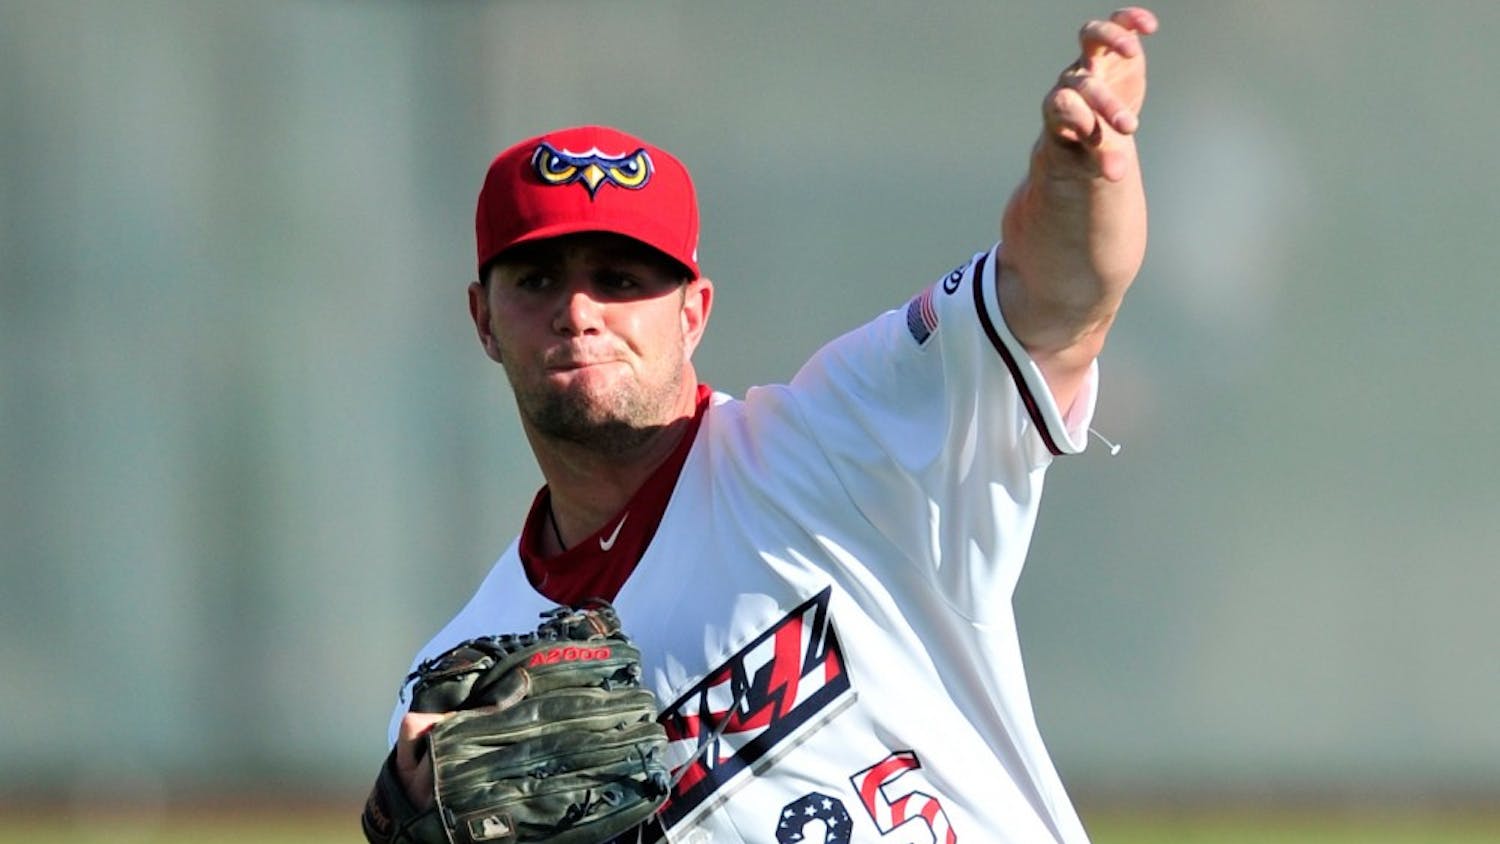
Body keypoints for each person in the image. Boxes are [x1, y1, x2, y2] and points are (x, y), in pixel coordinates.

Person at [384, 7, 1156, 841]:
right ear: (483, 320)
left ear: (693, 313)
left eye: (620, 279)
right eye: (537, 281)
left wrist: (1080, 180)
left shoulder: (839, 445)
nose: (579, 312)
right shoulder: (464, 688)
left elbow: (1055, 300)